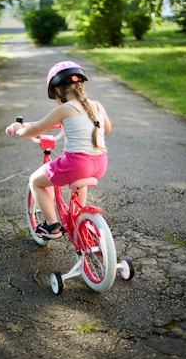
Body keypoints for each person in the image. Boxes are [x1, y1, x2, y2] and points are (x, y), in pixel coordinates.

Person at [6, 61, 111, 239]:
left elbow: (33, 131)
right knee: (80, 181)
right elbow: (106, 129)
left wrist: (17, 129)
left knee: (36, 181)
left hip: (77, 163)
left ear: (57, 91)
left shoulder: (63, 109)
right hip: (100, 163)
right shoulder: (98, 106)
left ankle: (51, 226)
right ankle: (78, 218)